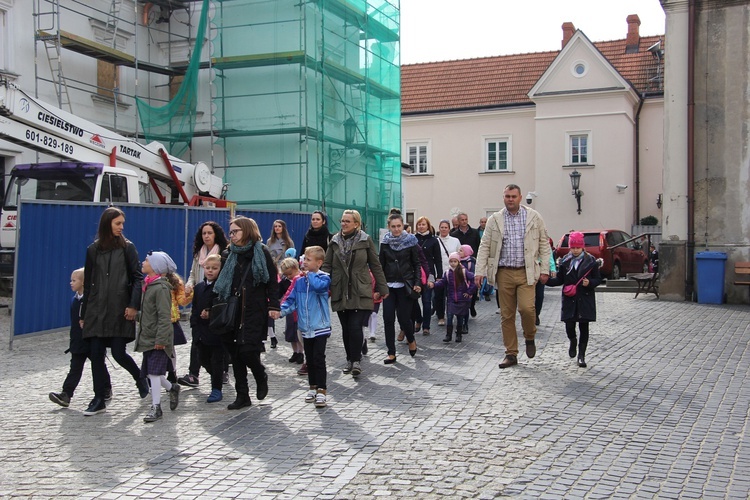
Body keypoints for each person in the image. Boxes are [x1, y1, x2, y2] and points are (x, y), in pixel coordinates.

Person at [474, 184, 551, 369]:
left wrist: (546, 269)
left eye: (513, 196)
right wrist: (479, 271)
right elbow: (484, 245)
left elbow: (544, 243)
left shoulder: (533, 217)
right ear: (503, 197)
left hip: (527, 271)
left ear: (520, 197)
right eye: (507, 196)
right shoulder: (495, 219)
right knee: (506, 315)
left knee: (526, 309)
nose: (510, 199)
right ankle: (511, 353)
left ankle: (530, 336)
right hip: (504, 272)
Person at [81, 207, 148, 416]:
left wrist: (133, 305)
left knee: (119, 353)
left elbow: (137, 278)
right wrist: (84, 313)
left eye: (122, 224)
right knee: (96, 353)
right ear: (107, 223)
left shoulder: (128, 248)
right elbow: (88, 283)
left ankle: (139, 377)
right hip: (96, 310)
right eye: (118, 223)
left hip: (121, 309)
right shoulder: (93, 250)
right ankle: (99, 397)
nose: (121, 227)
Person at [214, 216, 279, 410]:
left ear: (247, 231)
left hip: (253, 310)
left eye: (236, 231)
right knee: (235, 355)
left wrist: (273, 305)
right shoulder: (227, 254)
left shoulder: (261, 252)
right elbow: (220, 283)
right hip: (231, 310)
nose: (232, 235)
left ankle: (260, 375)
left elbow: (272, 281)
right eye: (231, 232)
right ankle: (242, 395)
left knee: (248, 351)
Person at [322, 209, 388, 376]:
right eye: (342, 220)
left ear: (356, 224)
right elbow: (327, 266)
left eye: (347, 221)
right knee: (345, 328)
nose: (343, 223)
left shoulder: (365, 240)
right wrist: (320, 283)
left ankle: (356, 360)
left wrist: (382, 287)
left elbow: (375, 265)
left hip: (360, 288)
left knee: (355, 326)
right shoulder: (334, 241)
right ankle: (350, 359)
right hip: (340, 288)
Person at [273, 246, 332, 407]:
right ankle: (312, 387)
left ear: (319, 263)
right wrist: (280, 312)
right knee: (310, 359)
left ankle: (322, 390)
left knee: (319, 358)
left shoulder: (323, 278)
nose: (304, 262)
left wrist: (310, 275)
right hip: (306, 328)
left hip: (320, 326)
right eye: (304, 259)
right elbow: (291, 301)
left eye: (308, 260)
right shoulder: (298, 281)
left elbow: (319, 288)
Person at [49, 268, 112, 409]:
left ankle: (106, 388)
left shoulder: (91, 300)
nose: (71, 283)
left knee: (99, 366)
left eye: (74, 280)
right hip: (78, 342)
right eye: (71, 280)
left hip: (92, 341)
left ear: (84, 282)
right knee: (75, 368)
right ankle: (66, 394)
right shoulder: (74, 300)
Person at [180, 221, 229, 388]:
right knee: (197, 339)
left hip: (216, 297)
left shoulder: (223, 253)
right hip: (200, 294)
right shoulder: (198, 253)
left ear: (216, 234)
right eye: (204, 233)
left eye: (209, 233)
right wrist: (189, 284)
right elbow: (193, 273)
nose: (206, 236)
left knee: (217, 340)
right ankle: (193, 374)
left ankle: (222, 371)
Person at [135, 251, 181, 423]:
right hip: (148, 336)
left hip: (157, 338)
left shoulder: (161, 288)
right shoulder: (147, 285)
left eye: (146, 260)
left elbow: (164, 316)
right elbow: (148, 313)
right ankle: (172, 387)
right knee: (150, 372)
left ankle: (156, 407)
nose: (143, 262)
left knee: (154, 373)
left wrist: (161, 340)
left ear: (155, 267)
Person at [545, 232, 602, 368]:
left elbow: (598, 279)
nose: (575, 250)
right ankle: (572, 340)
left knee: (584, 326)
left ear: (582, 247)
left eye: (578, 247)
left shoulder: (591, 261)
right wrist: (546, 281)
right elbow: (560, 279)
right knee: (569, 325)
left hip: (585, 298)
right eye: (573, 248)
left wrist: (590, 283)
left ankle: (581, 356)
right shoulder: (565, 261)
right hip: (570, 299)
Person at [379, 212, 422, 363]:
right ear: (389, 227)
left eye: (399, 226)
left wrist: (417, 282)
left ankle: (411, 339)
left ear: (403, 225)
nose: (396, 229)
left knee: (404, 319)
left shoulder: (411, 241)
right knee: (388, 318)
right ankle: (391, 352)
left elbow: (416, 264)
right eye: (393, 227)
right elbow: (381, 265)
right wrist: (380, 286)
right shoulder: (385, 242)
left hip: (406, 285)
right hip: (389, 286)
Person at [189, 254, 225, 403]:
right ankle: (216, 375)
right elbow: (195, 307)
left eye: (214, 268)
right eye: (207, 268)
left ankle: (216, 388)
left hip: (216, 332)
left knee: (217, 360)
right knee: (202, 358)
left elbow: (223, 306)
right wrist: (194, 325)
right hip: (200, 331)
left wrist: (211, 313)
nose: (210, 271)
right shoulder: (199, 287)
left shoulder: (221, 287)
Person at [430, 252, 476, 343]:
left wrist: (469, 292)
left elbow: (473, 280)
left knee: (460, 318)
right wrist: (434, 285)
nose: (453, 263)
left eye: (455, 261)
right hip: (451, 299)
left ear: (458, 262)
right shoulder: (447, 273)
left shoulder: (463, 271)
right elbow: (442, 282)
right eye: (451, 261)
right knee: (449, 318)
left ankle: (459, 335)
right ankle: (448, 335)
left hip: (461, 299)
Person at [414, 216, 442, 336]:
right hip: (415, 274)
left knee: (426, 301)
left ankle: (426, 326)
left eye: (423, 224)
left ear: (428, 226)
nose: (421, 226)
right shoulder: (413, 239)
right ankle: (418, 319)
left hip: (429, 273)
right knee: (413, 301)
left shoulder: (434, 240)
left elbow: (438, 259)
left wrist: (439, 275)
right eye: (419, 224)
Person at [166, 268, 193, 382]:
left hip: (171, 320)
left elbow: (182, 301)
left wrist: (189, 293)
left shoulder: (175, 282)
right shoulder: (149, 280)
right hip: (156, 321)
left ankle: (172, 372)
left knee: (170, 349)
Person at [278, 257, 305, 366]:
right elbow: (280, 294)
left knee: (299, 334)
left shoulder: (302, 278)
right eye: (286, 274)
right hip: (289, 312)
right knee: (291, 333)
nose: (289, 276)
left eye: (290, 274)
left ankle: (301, 352)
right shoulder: (285, 281)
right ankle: (295, 351)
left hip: (300, 311)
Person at [435, 219, 461, 327]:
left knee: (452, 295)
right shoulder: (435, 241)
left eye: (446, 227)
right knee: (438, 296)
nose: (444, 229)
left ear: (449, 229)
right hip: (439, 272)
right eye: (442, 227)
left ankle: (452, 314)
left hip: (453, 272)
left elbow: (460, 255)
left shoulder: (455, 241)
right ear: (439, 228)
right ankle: (441, 316)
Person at [535, 239, 558, 326]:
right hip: (528, 270)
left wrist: (552, 268)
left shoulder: (543, 240)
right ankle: (529, 316)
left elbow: (549, 255)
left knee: (539, 296)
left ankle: (536, 314)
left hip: (541, 270)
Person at [459, 244, 478, 318]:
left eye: (461, 251)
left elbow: (472, 273)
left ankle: (472, 307)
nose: (459, 252)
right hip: (462, 283)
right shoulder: (458, 260)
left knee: (472, 297)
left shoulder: (471, 261)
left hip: (470, 283)